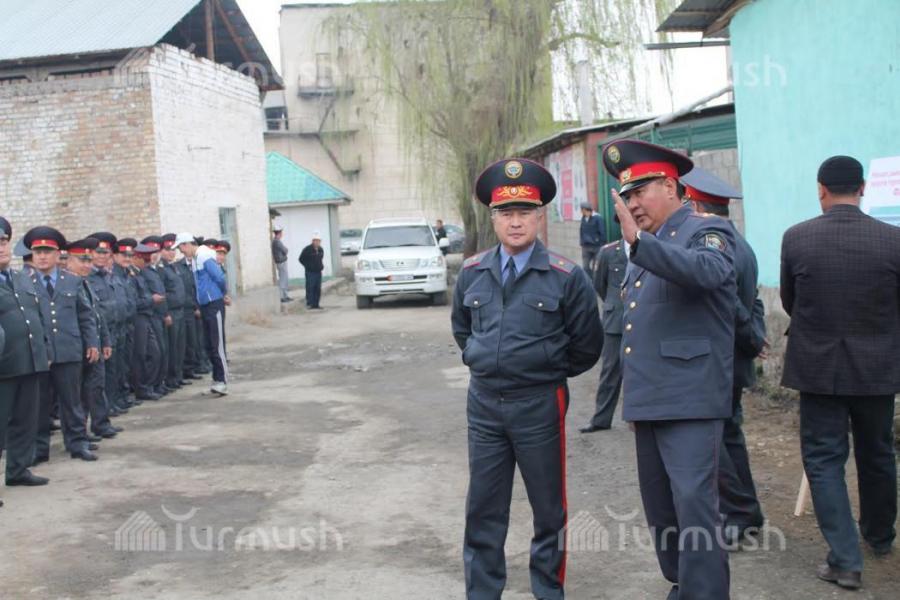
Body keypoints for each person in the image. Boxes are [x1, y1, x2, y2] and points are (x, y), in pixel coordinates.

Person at [451, 158, 603, 600]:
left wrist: (544, 367)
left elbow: (587, 345)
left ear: (539, 217)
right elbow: (462, 330)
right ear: (493, 218)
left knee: (548, 507)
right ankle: (483, 592)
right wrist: (481, 358)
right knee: (483, 507)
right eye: (506, 213)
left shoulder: (566, 276)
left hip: (539, 403)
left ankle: (548, 590)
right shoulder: (472, 272)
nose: (515, 222)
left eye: (524, 212)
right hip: (484, 405)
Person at [603, 139, 735, 599]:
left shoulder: (706, 230)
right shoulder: (648, 246)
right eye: (627, 196)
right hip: (651, 400)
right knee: (663, 510)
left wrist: (640, 244)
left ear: (671, 187)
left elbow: (708, 272)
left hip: (691, 400)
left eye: (640, 192)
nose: (633, 204)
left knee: (695, 507)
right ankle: (684, 585)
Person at [780, 155, 900, 590]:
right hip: (878, 368)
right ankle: (879, 535)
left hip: (819, 367)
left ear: (821, 190)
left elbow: (790, 301)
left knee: (824, 459)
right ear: (863, 188)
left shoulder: (797, 238)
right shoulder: (893, 240)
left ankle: (846, 560)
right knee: (877, 452)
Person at [683, 167, 767, 547]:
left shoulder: (713, 244)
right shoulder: (740, 242)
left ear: (694, 206)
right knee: (729, 436)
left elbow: (726, 300)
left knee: (714, 442)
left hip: (719, 360)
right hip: (730, 358)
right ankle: (746, 513)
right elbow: (754, 299)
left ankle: (739, 512)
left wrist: (752, 338)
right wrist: (755, 335)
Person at [26, 226, 101, 462]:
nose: (42, 257)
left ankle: (77, 443)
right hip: (40, 354)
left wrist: (92, 342)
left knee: (72, 401)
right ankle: (39, 449)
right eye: (38, 252)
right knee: (40, 405)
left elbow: (85, 315)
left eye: (47, 252)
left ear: (59, 254)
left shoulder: (72, 281)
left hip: (69, 350)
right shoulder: (25, 283)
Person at [0, 217, 51, 496]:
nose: (1, 248)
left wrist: (45, 351)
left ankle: (18, 470)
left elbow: (38, 317)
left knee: (25, 420)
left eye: (3, 242)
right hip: (4, 366)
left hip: (29, 361)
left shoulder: (21, 278)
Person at [68, 238, 117, 440]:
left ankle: (100, 424)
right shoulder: (67, 286)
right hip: (78, 346)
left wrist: (104, 341)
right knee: (79, 393)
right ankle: (81, 433)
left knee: (96, 386)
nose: (87, 265)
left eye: (89, 261)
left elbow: (97, 316)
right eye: (82, 260)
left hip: (94, 345)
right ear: (69, 261)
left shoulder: (84, 283)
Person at [580, 236, 628, 433]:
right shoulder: (608, 252)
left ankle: (645, 419)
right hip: (615, 320)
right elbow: (599, 284)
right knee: (610, 371)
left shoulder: (651, 247)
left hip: (644, 320)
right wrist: (614, 305)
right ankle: (601, 419)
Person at [191, 234, 229, 396]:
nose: (181, 251)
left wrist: (221, 293)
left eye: (181, 247)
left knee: (217, 344)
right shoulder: (196, 258)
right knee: (209, 345)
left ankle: (223, 381)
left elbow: (219, 277)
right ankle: (216, 380)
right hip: (206, 305)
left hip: (214, 304)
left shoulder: (204, 256)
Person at [130, 244, 163, 401]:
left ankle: (148, 386)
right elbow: (133, 302)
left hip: (146, 316)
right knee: (141, 355)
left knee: (154, 353)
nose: (148, 262)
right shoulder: (131, 276)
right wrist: (151, 299)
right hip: (138, 318)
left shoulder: (139, 274)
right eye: (145, 259)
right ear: (136, 258)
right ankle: (141, 388)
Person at [140, 236, 172, 397]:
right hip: (151, 315)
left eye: (155, 252)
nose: (153, 256)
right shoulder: (143, 272)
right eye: (149, 253)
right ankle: (151, 385)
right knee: (155, 352)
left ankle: (159, 384)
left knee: (163, 351)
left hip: (160, 315)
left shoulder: (155, 271)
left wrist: (165, 314)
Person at [160, 234, 189, 390]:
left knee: (180, 346)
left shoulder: (173, 267)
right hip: (171, 311)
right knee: (171, 347)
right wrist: (166, 313)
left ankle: (178, 376)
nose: (171, 252)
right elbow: (162, 293)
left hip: (180, 310)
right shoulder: (161, 269)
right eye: (167, 249)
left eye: (173, 249)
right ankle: (171, 378)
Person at [174, 233, 203, 381]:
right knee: (188, 341)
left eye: (181, 247)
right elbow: (184, 290)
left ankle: (197, 364)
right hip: (188, 308)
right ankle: (188, 369)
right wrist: (194, 306)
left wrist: (200, 306)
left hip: (201, 306)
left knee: (197, 339)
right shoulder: (178, 266)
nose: (180, 250)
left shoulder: (201, 262)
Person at [579, 201, 606, 277]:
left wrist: (601, 244)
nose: (581, 211)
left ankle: (594, 281)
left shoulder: (598, 218)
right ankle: (589, 280)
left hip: (596, 246)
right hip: (586, 246)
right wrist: (581, 242)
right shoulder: (583, 218)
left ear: (585, 209)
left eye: (582, 210)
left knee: (595, 267)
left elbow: (602, 232)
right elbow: (581, 230)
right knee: (585, 267)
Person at [299, 232, 325, 310]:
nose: (317, 242)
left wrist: (320, 266)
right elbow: (301, 259)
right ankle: (310, 303)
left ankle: (316, 304)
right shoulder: (307, 249)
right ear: (313, 241)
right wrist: (308, 266)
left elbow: (321, 258)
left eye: (318, 241)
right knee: (310, 287)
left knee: (317, 288)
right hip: (310, 272)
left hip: (318, 272)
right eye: (315, 240)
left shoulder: (320, 249)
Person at [272, 226, 292, 302]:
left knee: (285, 279)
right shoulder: (277, 241)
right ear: (279, 233)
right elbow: (285, 250)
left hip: (281, 262)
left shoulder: (276, 241)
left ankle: (285, 296)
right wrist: (285, 250)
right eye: (281, 232)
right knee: (283, 280)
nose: (282, 234)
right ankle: (282, 297)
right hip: (281, 262)